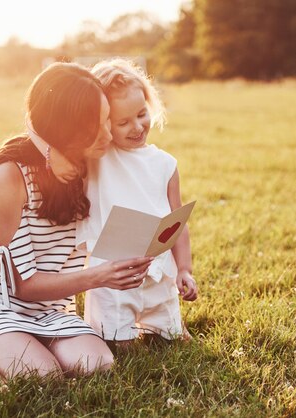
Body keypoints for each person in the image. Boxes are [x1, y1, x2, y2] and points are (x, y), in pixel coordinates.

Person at [0, 62, 153, 384]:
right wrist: (100, 276)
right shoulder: (8, 174)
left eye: (107, 120)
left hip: (50, 308)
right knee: (41, 377)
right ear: (66, 129)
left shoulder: (92, 160)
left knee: (98, 364)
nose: (108, 134)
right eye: (96, 125)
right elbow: (22, 285)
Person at [30, 59, 198, 345]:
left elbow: (178, 223)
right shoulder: (98, 157)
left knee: (176, 339)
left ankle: (163, 325)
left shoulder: (165, 164)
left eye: (142, 114)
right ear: (103, 121)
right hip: (110, 274)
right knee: (121, 347)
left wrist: (184, 269)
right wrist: (54, 156)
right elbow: (37, 127)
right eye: (122, 122)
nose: (137, 127)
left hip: (158, 270)